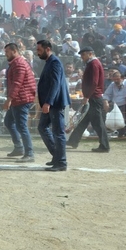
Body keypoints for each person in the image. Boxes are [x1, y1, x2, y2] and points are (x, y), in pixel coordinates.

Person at [36, 40, 71, 172]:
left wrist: (48, 102)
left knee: (58, 133)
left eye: (39, 50)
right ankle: (57, 157)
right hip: (49, 103)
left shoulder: (55, 62)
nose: (37, 53)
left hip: (55, 103)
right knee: (42, 127)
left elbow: (55, 84)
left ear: (48, 49)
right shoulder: (49, 62)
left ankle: (61, 162)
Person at [66, 47, 109, 152]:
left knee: (97, 123)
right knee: (83, 120)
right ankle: (73, 141)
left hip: (93, 97)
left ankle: (104, 146)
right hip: (92, 96)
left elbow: (94, 83)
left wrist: (87, 97)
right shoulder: (93, 63)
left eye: (83, 55)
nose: (82, 57)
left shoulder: (93, 64)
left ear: (90, 54)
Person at [3, 43, 37, 162]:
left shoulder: (19, 64)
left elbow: (17, 83)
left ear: (14, 51)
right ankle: (19, 147)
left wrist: (9, 99)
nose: (5, 54)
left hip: (21, 99)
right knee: (8, 121)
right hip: (19, 98)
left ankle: (29, 153)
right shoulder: (17, 63)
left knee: (21, 126)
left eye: (7, 51)